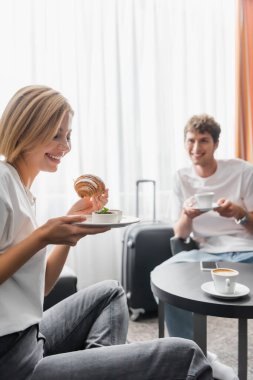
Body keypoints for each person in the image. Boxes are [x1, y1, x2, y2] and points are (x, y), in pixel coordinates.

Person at [0, 86, 212, 380]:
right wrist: (44, 235)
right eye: (56, 134)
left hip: (30, 335)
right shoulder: (2, 182)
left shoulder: (23, 191)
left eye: (68, 135)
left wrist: (73, 226)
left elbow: (44, 286)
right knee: (188, 356)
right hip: (11, 358)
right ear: (26, 130)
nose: (66, 146)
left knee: (112, 292)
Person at [152, 114, 253, 380]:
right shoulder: (181, 177)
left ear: (216, 144)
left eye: (203, 141)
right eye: (191, 141)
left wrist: (238, 213)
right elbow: (180, 234)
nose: (196, 148)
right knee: (166, 279)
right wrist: (188, 215)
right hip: (207, 253)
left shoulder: (242, 171)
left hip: (247, 250)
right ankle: (196, 354)